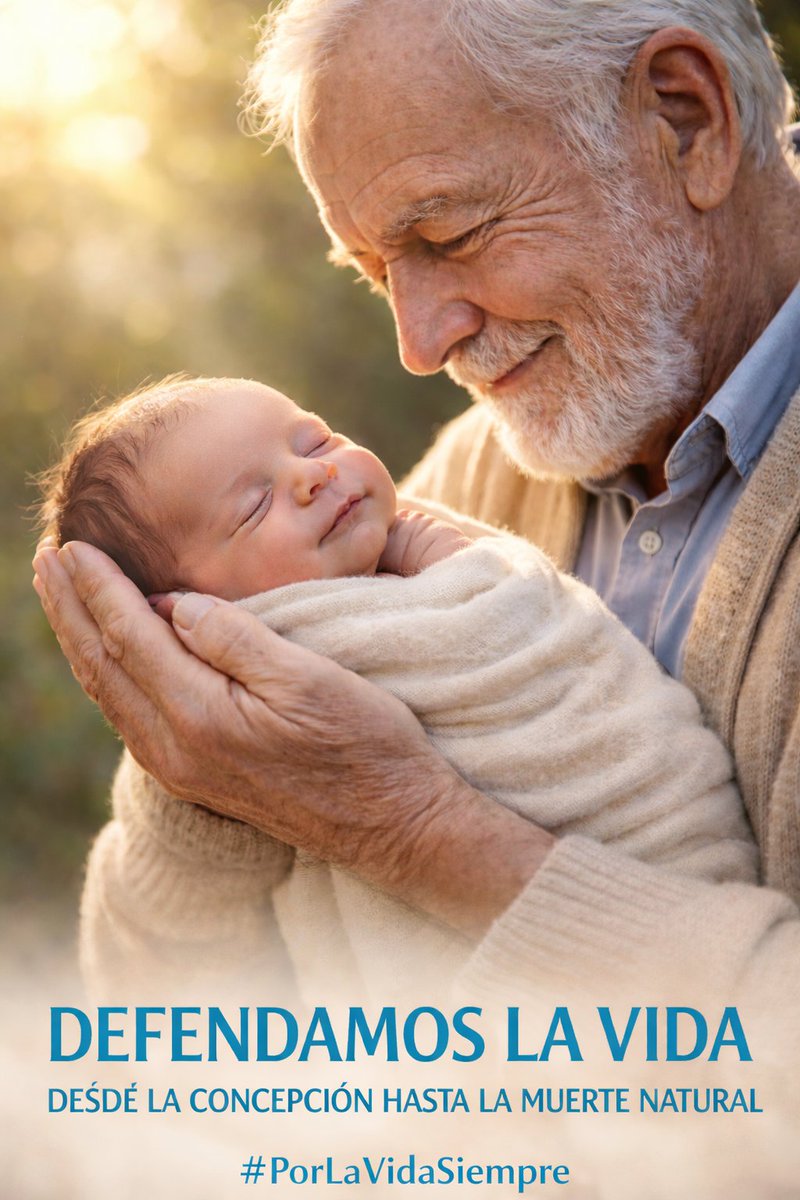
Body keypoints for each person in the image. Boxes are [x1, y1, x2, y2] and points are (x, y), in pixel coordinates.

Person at [32, 0, 800, 1021]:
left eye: (449, 233)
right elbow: (153, 1010)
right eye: (376, 274)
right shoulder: (482, 470)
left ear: (684, 119)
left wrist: (410, 831)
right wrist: (198, 784)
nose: (420, 344)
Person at [39, 374, 754, 998]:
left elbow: (535, 641)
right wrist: (194, 794)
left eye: (316, 441)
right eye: (253, 508)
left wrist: (471, 573)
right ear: (177, 615)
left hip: (685, 923)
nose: (313, 474)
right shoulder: (262, 656)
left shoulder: (421, 524)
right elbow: (149, 1001)